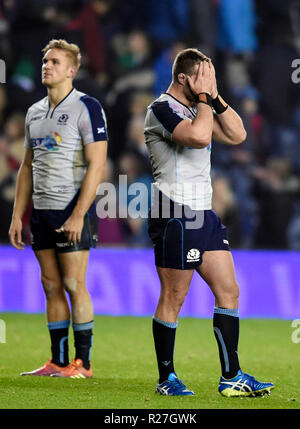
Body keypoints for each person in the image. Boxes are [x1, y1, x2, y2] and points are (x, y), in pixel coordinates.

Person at [144, 48, 274, 397]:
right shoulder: (160, 110)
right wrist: (204, 99)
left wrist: (213, 96)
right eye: (204, 77)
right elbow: (199, 136)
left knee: (229, 290)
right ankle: (166, 379)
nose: (209, 83)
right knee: (175, 295)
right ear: (185, 78)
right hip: (175, 212)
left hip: (205, 213)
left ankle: (232, 376)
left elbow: (237, 135)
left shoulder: (197, 107)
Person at [8, 39, 108, 379]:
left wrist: (80, 213)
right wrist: (17, 215)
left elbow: (97, 165)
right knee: (50, 284)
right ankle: (58, 361)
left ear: (71, 70)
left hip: (71, 208)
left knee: (72, 282)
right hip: (41, 210)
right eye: (45, 61)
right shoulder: (34, 112)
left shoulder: (87, 107)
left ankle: (84, 363)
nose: (46, 66)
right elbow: (27, 166)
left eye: (54, 61)